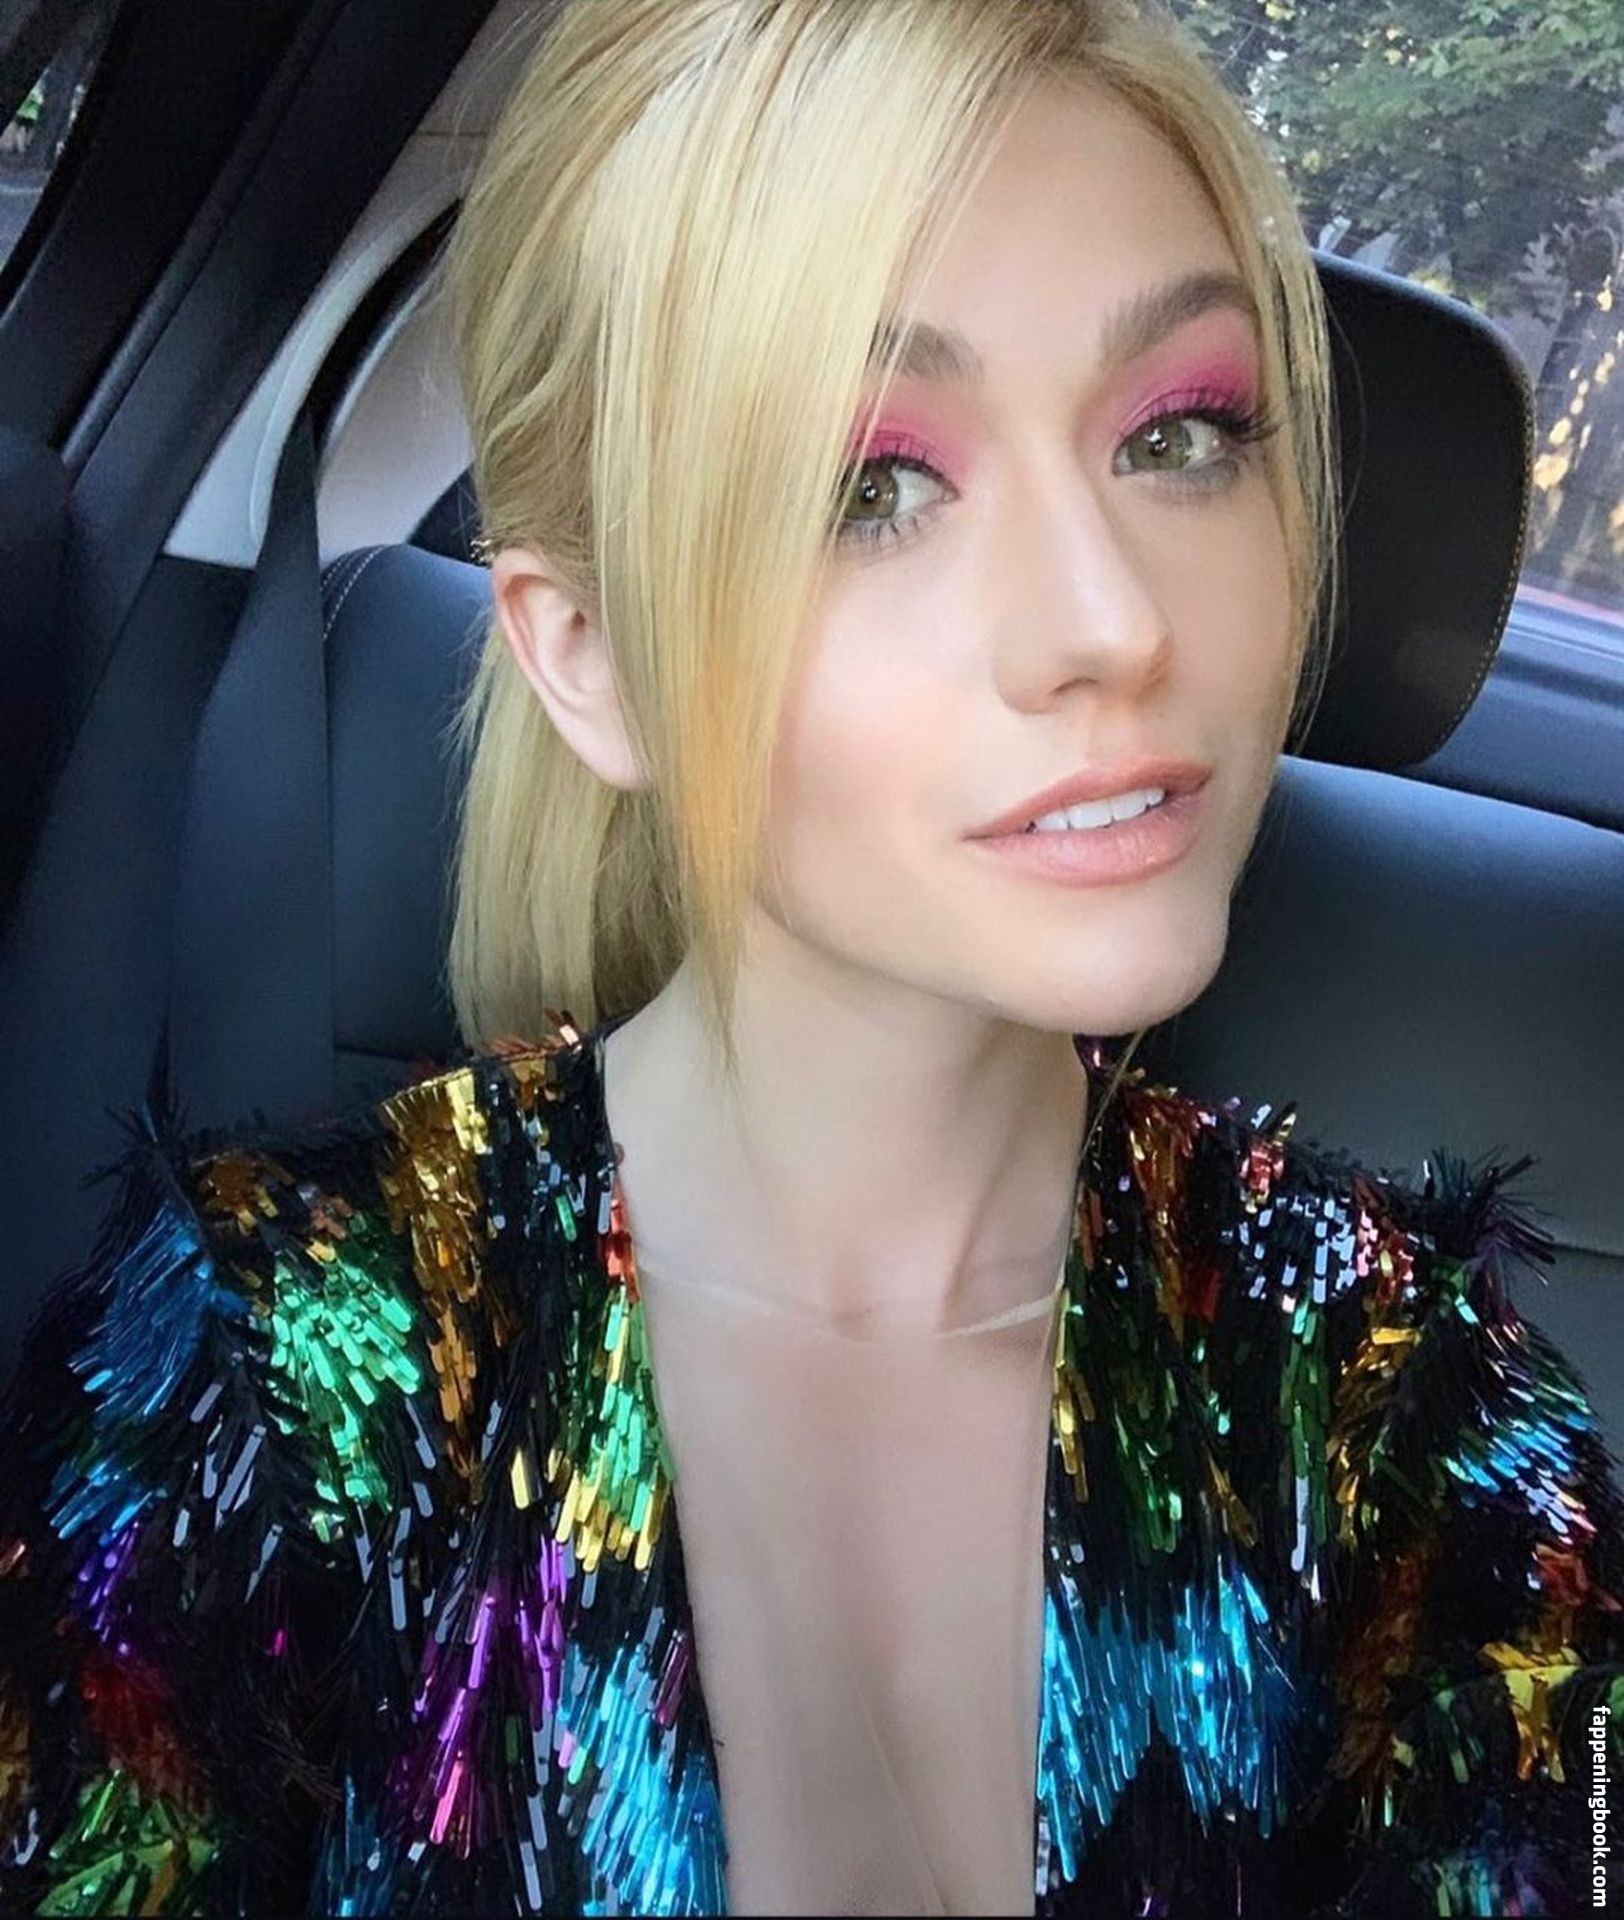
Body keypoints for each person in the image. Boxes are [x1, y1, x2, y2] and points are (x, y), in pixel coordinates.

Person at [2, 0, 1620, 1913]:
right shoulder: (278, 1382)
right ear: (592, 660)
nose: (1111, 623)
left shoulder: (1399, 1404)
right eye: (874, 487)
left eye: (1180, 436)